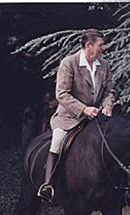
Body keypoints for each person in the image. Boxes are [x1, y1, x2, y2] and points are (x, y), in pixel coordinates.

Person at [37, 29, 116, 201]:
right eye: (100, 45)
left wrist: (107, 105)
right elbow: (62, 94)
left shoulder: (104, 64)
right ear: (89, 46)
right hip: (69, 118)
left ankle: (117, 189)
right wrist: (84, 109)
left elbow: (109, 91)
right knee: (57, 141)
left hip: (95, 117)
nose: (104, 48)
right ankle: (48, 185)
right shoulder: (69, 63)